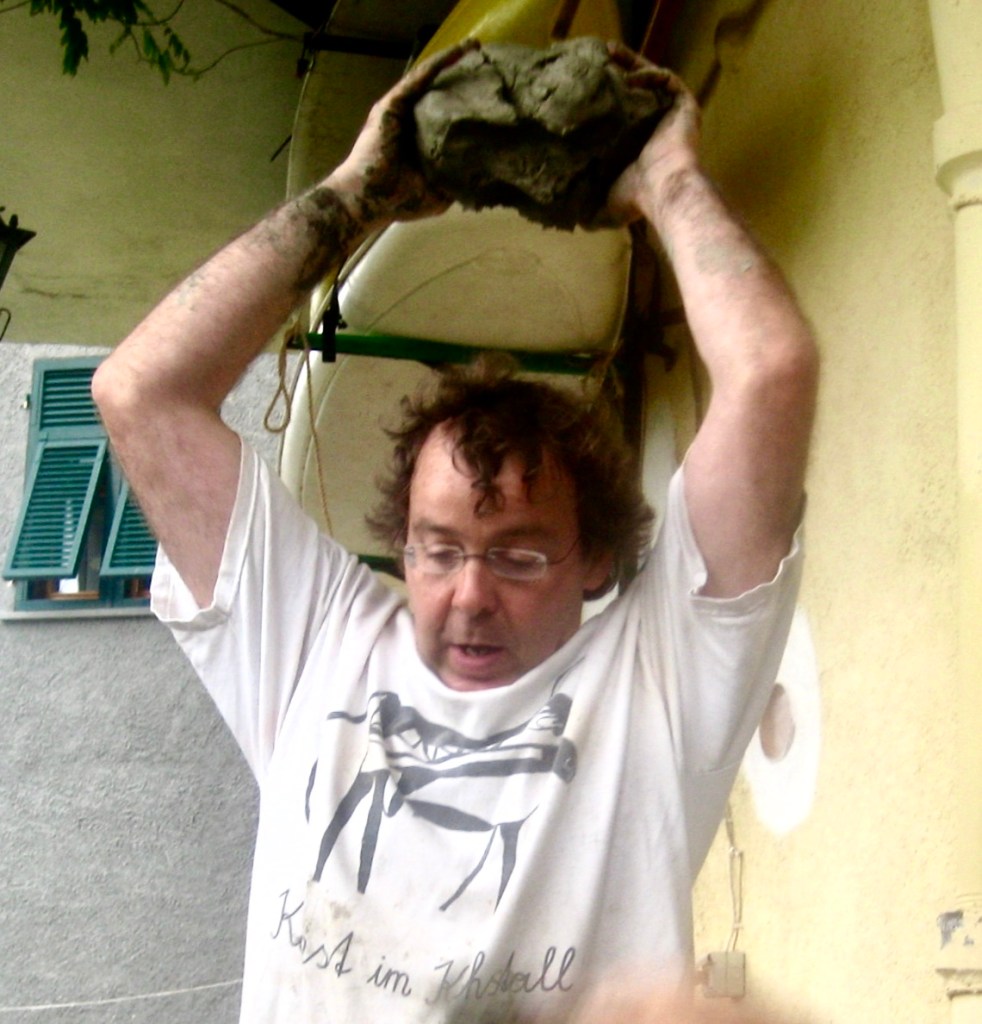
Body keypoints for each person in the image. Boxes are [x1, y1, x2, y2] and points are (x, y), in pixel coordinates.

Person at [93, 38, 818, 1024]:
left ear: (595, 558)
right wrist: (358, 192)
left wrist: (667, 181)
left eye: (520, 555)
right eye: (437, 550)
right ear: (401, 545)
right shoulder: (313, 643)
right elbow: (141, 394)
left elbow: (770, 373)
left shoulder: (659, 678)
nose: (469, 595)